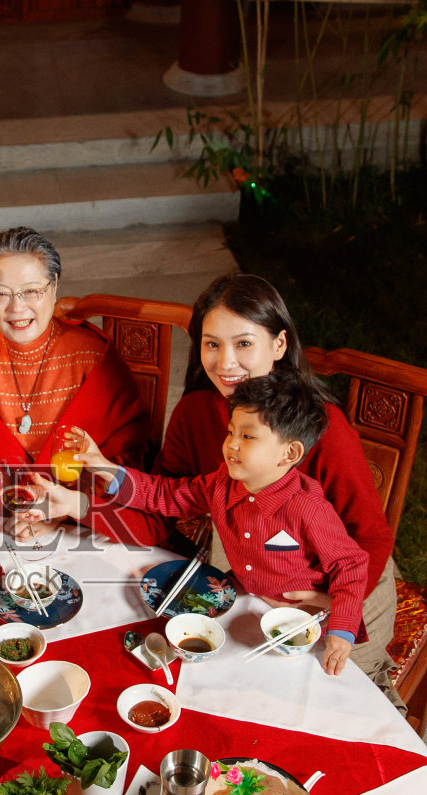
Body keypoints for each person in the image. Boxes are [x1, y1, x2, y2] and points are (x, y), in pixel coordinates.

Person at [155, 273, 398, 685]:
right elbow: (164, 494)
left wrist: (337, 603)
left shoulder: (325, 427)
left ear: (280, 345)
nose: (226, 362)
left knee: (338, 699)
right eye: (212, 344)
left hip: (347, 588)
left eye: (244, 343)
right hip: (257, 583)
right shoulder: (196, 412)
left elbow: (370, 537)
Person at [66, 375, 369, 676]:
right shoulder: (222, 482)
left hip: (300, 620)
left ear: (289, 453)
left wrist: (342, 631)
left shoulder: (308, 508)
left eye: (248, 437)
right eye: (230, 432)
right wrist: (105, 468)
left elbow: (351, 564)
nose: (232, 445)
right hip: (244, 603)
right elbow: (165, 494)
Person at [0, 227, 152, 541]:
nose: (17, 308)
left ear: (54, 286)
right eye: (1, 293)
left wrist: (57, 510)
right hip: (3, 524)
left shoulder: (93, 357)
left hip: (83, 525)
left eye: (31, 291)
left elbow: (126, 462)